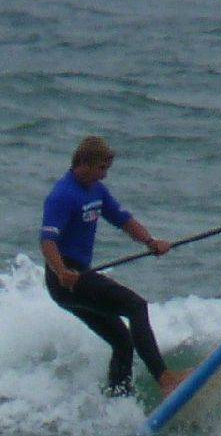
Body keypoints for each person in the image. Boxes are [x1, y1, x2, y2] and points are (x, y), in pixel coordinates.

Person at [40, 136, 184, 398]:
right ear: (84, 164)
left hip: (79, 276)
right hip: (66, 279)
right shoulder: (62, 195)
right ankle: (165, 379)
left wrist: (150, 242)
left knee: (122, 341)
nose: (104, 175)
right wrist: (61, 272)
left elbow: (123, 220)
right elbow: (47, 241)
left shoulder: (96, 190)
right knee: (136, 306)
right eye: (101, 168)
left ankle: (117, 402)